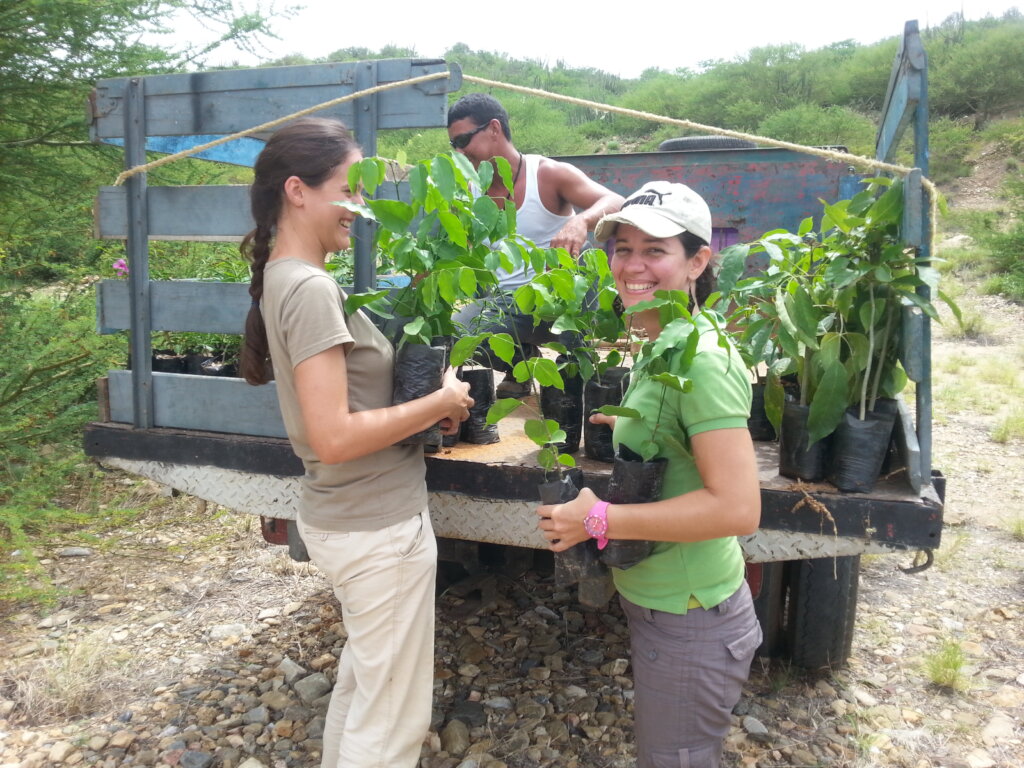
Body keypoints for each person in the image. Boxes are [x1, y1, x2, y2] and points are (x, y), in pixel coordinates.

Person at [238, 117, 473, 768]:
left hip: (349, 517)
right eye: (351, 188)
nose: (361, 205)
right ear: (298, 191)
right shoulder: (310, 288)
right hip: (378, 525)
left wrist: (423, 416)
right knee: (393, 717)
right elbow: (334, 435)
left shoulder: (288, 277)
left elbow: (344, 414)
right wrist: (441, 400)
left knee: (368, 687)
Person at [536, 181, 763, 768]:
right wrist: (637, 421)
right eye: (622, 247)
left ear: (697, 262)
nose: (632, 265)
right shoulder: (664, 341)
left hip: (693, 614)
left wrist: (598, 519)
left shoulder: (704, 362)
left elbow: (738, 509)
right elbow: (682, 441)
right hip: (667, 604)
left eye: (655, 250)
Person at [447, 93, 624, 396]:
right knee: (453, 337)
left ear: (493, 129)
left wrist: (580, 222)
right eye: (454, 145)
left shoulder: (546, 174)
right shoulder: (468, 191)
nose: (461, 151)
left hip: (559, 300)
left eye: (464, 140)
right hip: (506, 306)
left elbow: (616, 202)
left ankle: (575, 367)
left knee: (585, 261)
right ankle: (521, 360)